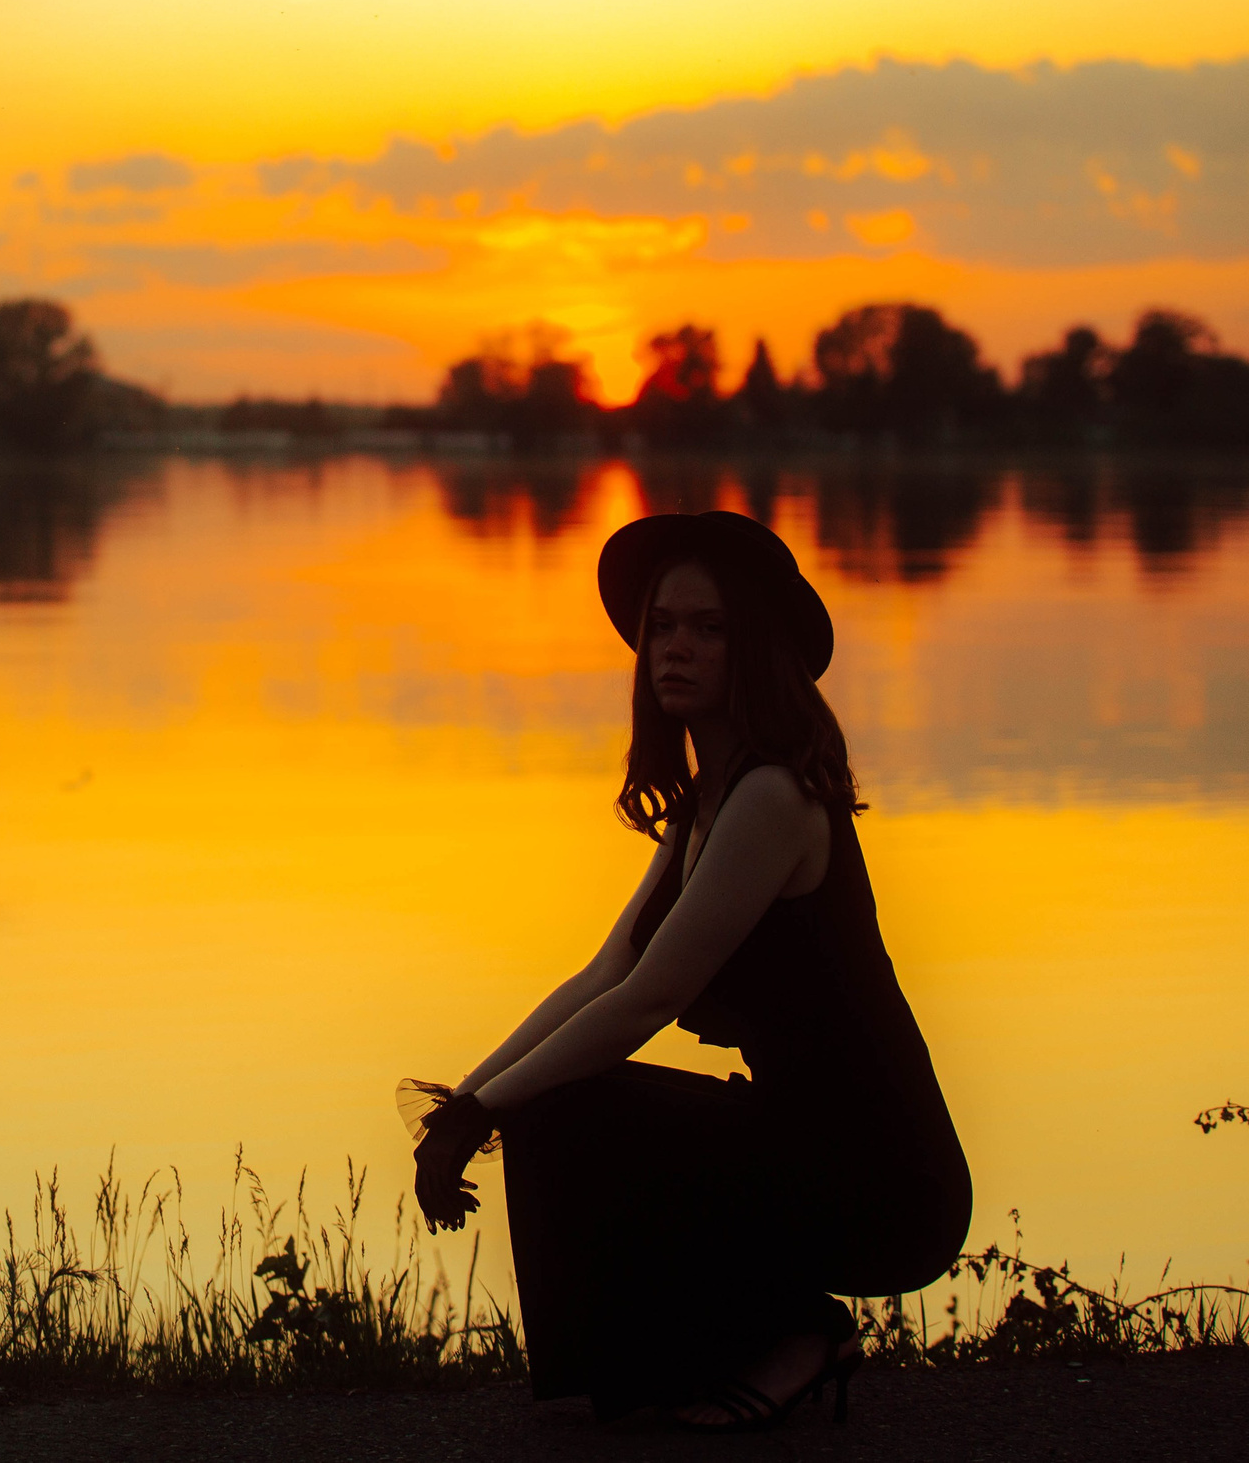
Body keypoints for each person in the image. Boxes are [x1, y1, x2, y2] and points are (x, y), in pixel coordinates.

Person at [408, 510, 970, 1431]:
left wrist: (486, 1113)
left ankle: (798, 1331)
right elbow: (602, 974)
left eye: (709, 629)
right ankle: (680, 1366)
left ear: (755, 649)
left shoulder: (774, 797)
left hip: (882, 1176)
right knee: (558, 1095)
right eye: (663, 626)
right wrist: (464, 1099)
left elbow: (651, 997)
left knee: (564, 1099)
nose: (676, 648)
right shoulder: (707, 804)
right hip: (792, 1134)